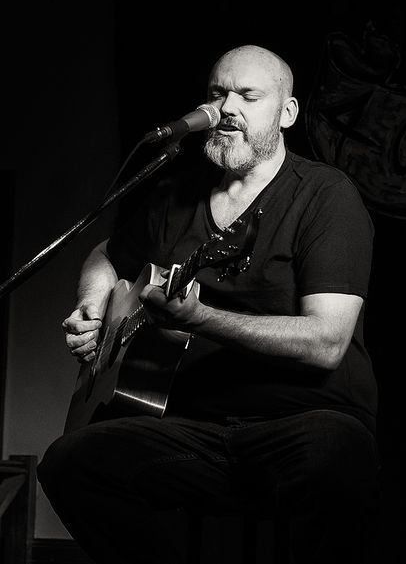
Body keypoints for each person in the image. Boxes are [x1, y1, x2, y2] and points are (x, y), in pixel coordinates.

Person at [38, 45, 380, 564]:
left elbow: (327, 341)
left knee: (335, 454)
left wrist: (201, 319)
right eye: (218, 94)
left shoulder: (325, 196)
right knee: (69, 463)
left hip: (301, 422)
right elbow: (105, 255)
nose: (227, 109)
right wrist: (92, 306)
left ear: (287, 113)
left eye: (248, 96)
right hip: (193, 428)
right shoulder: (177, 196)